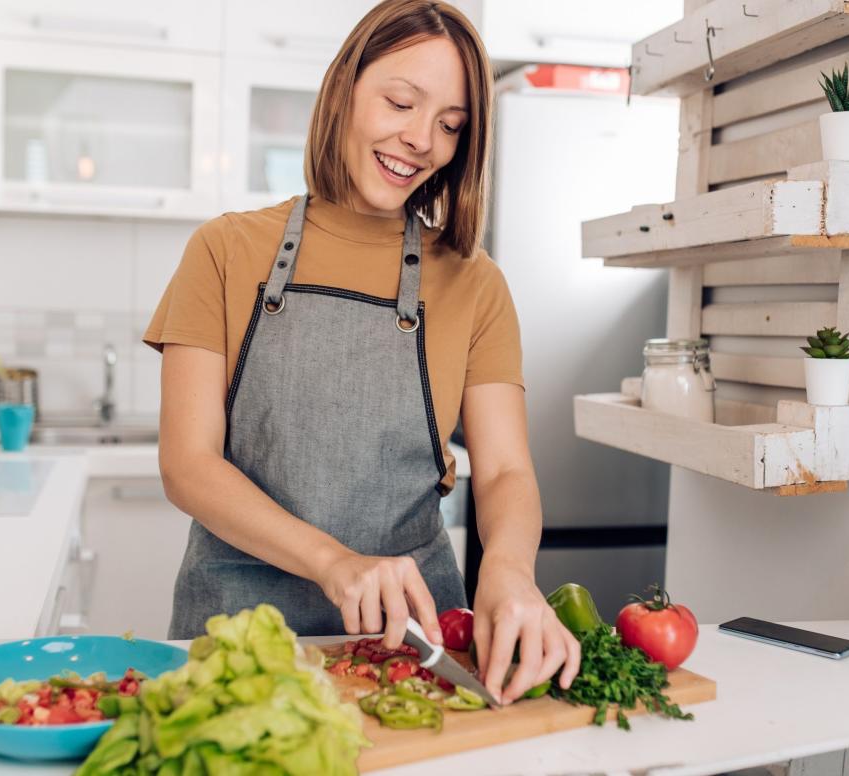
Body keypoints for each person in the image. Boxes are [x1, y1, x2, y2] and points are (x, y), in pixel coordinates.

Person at [143, 0, 579, 705]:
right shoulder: (225, 250)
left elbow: (502, 470)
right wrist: (333, 563)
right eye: (401, 102)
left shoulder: (474, 281)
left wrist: (507, 570)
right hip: (234, 636)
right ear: (345, 87)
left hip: (411, 641)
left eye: (449, 125)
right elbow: (187, 464)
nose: (420, 140)